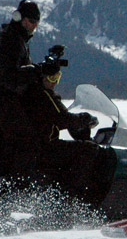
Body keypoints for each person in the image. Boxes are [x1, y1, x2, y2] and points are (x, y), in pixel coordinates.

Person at [22, 65, 116, 210]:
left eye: (57, 77)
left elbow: (57, 119)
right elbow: (62, 118)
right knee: (89, 149)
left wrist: (78, 123)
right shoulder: (43, 95)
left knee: (78, 148)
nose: (55, 82)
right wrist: (85, 119)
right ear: (41, 79)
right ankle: (71, 198)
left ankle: (67, 196)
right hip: (44, 147)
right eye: (52, 78)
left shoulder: (29, 95)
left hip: (34, 147)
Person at [0, 0, 43, 175]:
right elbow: (11, 74)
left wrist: (35, 70)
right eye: (31, 21)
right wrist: (38, 71)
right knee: (26, 140)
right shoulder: (11, 38)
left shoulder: (7, 35)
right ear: (19, 18)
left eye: (37, 22)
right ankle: (18, 189)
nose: (34, 26)